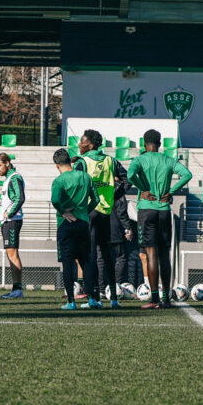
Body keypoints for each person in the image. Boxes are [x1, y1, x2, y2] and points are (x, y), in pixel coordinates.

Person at [127, 129, 193, 309]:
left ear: (143, 143)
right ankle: (167, 298)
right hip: (164, 210)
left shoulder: (139, 160)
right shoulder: (168, 160)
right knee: (164, 253)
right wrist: (171, 191)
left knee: (151, 253)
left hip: (146, 211)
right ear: (160, 143)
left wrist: (143, 188)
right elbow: (187, 174)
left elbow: (131, 175)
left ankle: (154, 299)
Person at [72, 129, 130, 309]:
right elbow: (128, 180)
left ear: (90, 144)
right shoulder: (110, 160)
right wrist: (114, 195)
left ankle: (94, 298)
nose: (79, 145)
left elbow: (77, 186)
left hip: (89, 212)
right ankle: (113, 299)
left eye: (82, 142)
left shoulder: (82, 162)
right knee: (106, 255)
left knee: (89, 256)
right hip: (105, 212)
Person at [51, 148, 100, 310]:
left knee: (67, 263)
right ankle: (92, 299)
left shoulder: (59, 181)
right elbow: (97, 199)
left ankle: (71, 301)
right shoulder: (85, 177)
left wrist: (63, 211)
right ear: (70, 161)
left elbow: (55, 200)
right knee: (86, 260)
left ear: (57, 165)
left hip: (65, 225)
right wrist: (85, 211)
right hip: (83, 223)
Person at [0, 152, 26, 299]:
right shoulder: (8, 179)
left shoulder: (15, 177)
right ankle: (16, 289)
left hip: (12, 221)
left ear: (7, 163)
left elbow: (20, 198)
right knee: (10, 254)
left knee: (12, 254)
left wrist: (10, 213)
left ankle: (17, 289)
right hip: (7, 221)